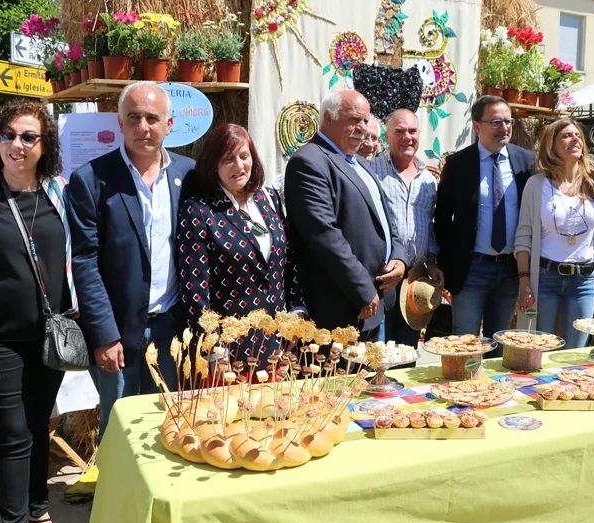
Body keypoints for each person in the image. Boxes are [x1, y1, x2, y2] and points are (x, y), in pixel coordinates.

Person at [0, 100, 77, 523]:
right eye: (8, 135)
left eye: (29, 137)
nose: (17, 145)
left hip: (50, 336)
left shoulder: (61, 194)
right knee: (12, 431)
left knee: (38, 423)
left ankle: (39, 511)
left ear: (45, 145)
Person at [67, 81, 195, 438]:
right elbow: (84, 262)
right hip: (119, 334)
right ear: (120, 124)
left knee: (170, 425)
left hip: (173, 328)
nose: (143, 126)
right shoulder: (91, 180)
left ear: (169, 125)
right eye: (134, 117)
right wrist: (105, 335)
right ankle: (115, 494)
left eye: (152, 118)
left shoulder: (190, 175)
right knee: (120, 428)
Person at [284, 90, 409, 340]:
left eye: (365, 120)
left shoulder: (360, 162)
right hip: (343, 305)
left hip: (376, 298)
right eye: (354, 119)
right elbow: (324, 236)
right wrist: (363, 289)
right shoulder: (309, 163)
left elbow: (385, 220)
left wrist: (399, 258)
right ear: (328, 119)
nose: (362, 128)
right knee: (343, 378)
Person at [177, 124, 305, 362]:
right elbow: (195, 290)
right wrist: (213, 347)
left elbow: (290, 261)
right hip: (230, 346)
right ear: (213, 164)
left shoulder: (268, 198)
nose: (239, 165)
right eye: (228, 159)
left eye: (244, 156)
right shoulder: (199, 211)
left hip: (279, 339)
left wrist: (297, 313)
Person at [434, 95, 535, 353]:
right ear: (477, 126)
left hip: (510, 270)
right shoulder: (458, 164)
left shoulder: (526, 161)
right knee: (464, 341)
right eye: (496, 122)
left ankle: (492, 392)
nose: (504, 128)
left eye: (508, 122)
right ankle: (461, 390)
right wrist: (447, 262)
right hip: (472, 270)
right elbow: (443, 218)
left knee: (500, 339)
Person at [515, 118, 594, 349]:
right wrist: (524, 280)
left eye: (577, 135)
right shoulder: (536, 185)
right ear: (551, 145)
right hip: (545, 278)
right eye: (565, 135)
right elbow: (523, 236)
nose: (574, 139)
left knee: (576, 350)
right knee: (541, 348)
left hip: (585, 280)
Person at [371, 108, 443, 346]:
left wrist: (432, 261)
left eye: (412, 131)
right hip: (384, 275)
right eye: (399, 131)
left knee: (407, 349)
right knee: (379, 349)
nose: (407, 137)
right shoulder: (373, 172)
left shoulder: (427, 179)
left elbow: (431, 224)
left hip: (415, 279)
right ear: (387, 136)